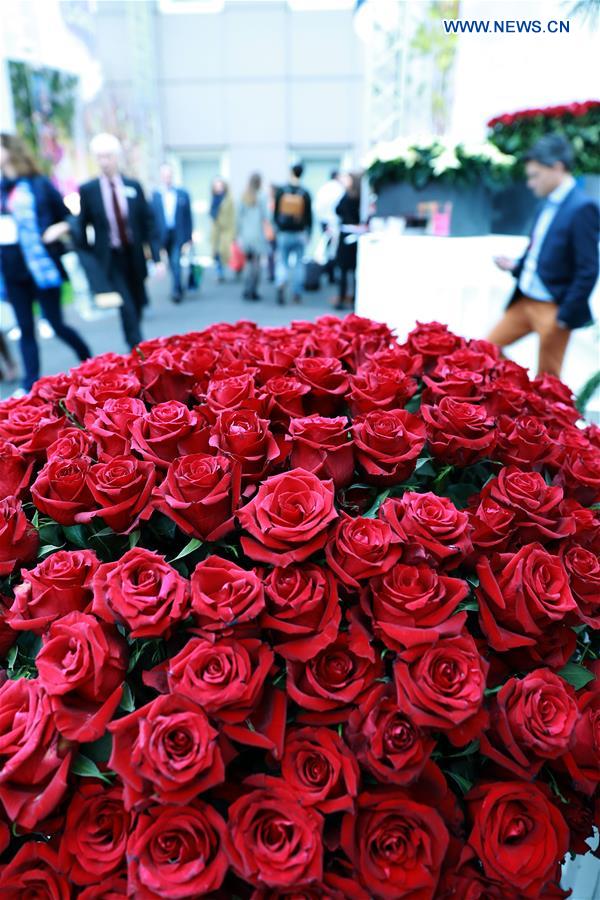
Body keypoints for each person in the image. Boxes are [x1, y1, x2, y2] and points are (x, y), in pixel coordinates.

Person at [489, 134, 599, 378]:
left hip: (554, 307)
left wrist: (565, 315)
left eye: (535, 175)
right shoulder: (545, 204)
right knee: (485, 350)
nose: (530, 183)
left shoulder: (582, 207)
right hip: (525, 299)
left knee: (548, 381)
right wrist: (516, 266)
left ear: (557, 168)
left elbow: (589, 269)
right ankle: (517, 386)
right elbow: (539, 252)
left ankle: (532, 405)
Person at [0, 133, 91, 392]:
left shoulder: (38, 184)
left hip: (41, 266)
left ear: (10, 150)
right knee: (25, 329)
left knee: (55, 324)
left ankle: (88, 358)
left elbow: (69, 217)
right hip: (11, 268)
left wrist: (57, 229)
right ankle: (29, 384)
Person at [75, 133, 162, 351]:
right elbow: (82, 223)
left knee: (138, 300)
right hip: (110, 258)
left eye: (108, 157)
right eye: (100, 157)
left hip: (133, 255)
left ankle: (134, 339)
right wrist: (90, 255)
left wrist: (157, 256)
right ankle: (137, 347)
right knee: (126, 305)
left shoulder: (133, 186)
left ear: (116, 157)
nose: (104, 162)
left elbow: (148, 221)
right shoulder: (89, 190)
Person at [151, 163, 193, 304]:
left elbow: (188, 217)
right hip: (163, 234)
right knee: (170, 262)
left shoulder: (182, 194)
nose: (167, 178)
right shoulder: (155, 196)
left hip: (178, 233)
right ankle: (178, 285)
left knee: (176, 261)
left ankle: (176, 291)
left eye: (169, 176)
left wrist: (189, 237)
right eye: (164, 176)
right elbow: (152, 218)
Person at [237, 173, 270, 301]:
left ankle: (246, 289)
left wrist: (238, 234)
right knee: (257, 263)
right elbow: (266, 216)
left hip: (246, 235)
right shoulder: (262, 196)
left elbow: (238, 217)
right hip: (257, 234)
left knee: (248, 263)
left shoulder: (243, 196)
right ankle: (254, 290)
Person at [334, 172, 361, 311]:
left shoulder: (347, 196)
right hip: (358, 235)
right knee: (355, 271)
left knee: (344, 270)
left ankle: (342, 298)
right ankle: (355, 298)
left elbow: (337, 210)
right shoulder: (361, 196)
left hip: (346, 235)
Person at [315, 168, 344, 285]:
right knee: (334, 248)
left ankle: (328, 272)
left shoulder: (324, 188)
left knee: (328, 247)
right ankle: (331, 273)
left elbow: (317, 207)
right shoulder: (339, 189)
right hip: (334, 222)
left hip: (324, 221)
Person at [210, 178, 235, 283]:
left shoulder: (228, 199)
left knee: (224, 252)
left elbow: (232, 216)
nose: (218, 188)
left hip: (226, 230)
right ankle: (219, 272)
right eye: (216, 186)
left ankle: (228, 270)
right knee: (216, 253)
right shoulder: (214, 199)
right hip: (217, 231)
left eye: (220, 186)